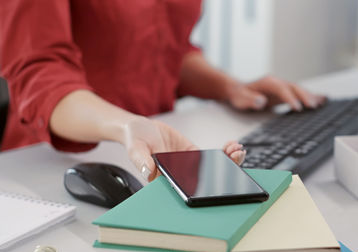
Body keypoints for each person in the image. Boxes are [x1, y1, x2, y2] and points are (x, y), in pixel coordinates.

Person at [0, 1, 323, 181]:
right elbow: (40, 76)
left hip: (157, 146)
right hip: (50, 167)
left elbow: (164, 51)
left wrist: (231, 87)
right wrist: (127, 127)